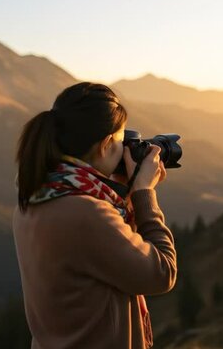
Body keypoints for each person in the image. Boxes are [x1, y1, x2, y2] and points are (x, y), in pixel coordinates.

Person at [12, 82, 177, 349]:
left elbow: (100, 255)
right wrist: (143, 194)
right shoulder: (86, 212)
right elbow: (161, 273)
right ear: (105, 144)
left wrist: (121, 193)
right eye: (121, 142)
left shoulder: (36, 197)